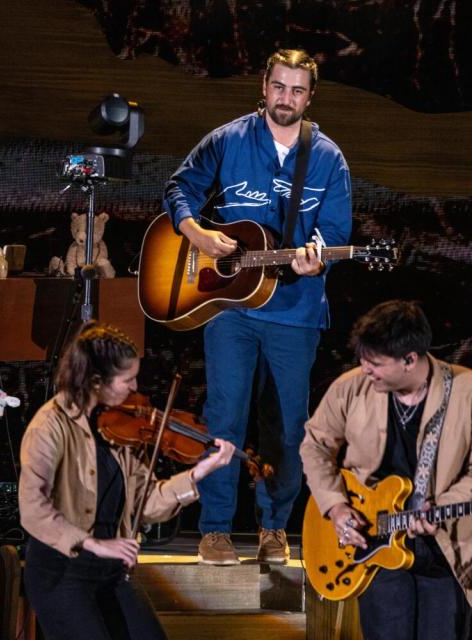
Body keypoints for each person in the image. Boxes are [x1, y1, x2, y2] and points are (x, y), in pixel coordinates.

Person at [163, 48, 352, 565]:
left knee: (289, 427)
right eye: (278, 87)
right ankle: (217, 530)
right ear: (263, 87)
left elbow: (335, 232)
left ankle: (274, 527)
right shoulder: (227, 139)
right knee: (225, 416)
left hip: (295, 312)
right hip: (230, 309)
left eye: (297, 90)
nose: (285, 98)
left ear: (310, 97)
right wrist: (196, 233)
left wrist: (319, 259)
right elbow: (179, 187)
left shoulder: (329, 158)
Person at [300, 300, 472, 640]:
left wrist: (442, 505)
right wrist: (335, 506)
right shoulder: (352, 387)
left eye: (376, 364)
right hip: (376, 544)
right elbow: (315, 445)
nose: (366, 371)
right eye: (363, 361)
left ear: (410, 359)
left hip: (447, 549)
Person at [18, 322, 235, 640]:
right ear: (96, 381)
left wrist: (197, 474)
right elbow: (33, 510)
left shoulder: (120, 427)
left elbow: (145, 503)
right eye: (127, 380)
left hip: (110, 571)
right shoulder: (49, 425)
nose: (134, 388)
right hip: (62, 571)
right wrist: (95, 544)